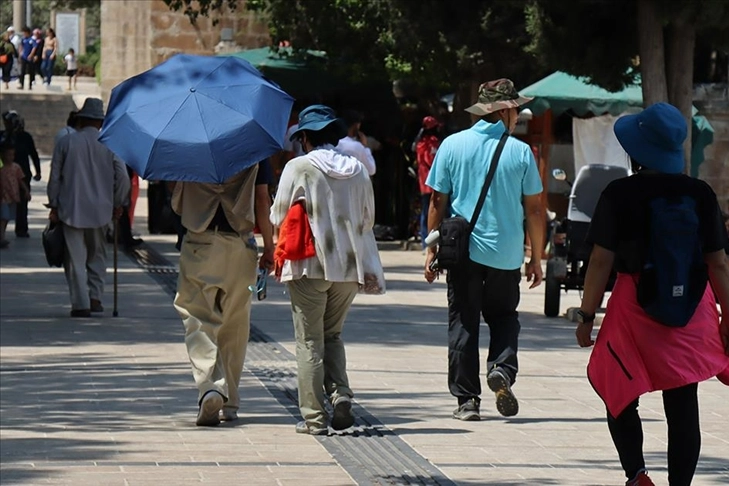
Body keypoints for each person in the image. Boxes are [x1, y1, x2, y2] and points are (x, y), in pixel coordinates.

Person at [575, 102, 729, 486]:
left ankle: (638, 474)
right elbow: (719, 263)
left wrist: (586, 314)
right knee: (682, 403)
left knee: (618, 389)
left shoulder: (619, 193)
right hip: (692, 309)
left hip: (633, 310)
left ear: (637, 149)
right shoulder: (700, 194)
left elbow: (599, 261)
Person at [424, 79, 544, 421]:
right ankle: (502, 369)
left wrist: (431, 251)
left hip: (462, 253)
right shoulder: (520, 152)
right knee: (504, 317)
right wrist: (535, 257)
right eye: (516, 108)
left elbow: (437, 200)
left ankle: (466, 401)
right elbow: (534, 209)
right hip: (505, 255)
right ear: (503, 111)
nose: (518, 114)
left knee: (463, 322)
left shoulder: (452, 145)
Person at [271, 105, 385, 435]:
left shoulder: (299, 168)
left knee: (309, 342)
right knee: (332, 334)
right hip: (349, 268)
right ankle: (341, 396)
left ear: (305, 138)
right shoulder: (359, 169)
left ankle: (314, 418)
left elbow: (278, 215)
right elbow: (368, 220)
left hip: (309, 264)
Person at [172, 156, 275, 427]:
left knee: (197, 317)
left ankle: (210, 386)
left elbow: (177, 199)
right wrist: (270, 246)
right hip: (241, 244)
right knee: (236, 323)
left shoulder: (188, 149)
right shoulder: (254, 149)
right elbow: (262, 200)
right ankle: (230, 401)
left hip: (199, 242)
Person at [47, 98, 131, 318]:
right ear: (100, 122)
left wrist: (53, 203)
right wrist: (118, 202)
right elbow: (123, 177)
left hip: (71, 207)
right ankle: (95, 297)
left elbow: (55, 177)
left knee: (74, 258)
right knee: (97, 255)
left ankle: (80, 303)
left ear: (82, 119)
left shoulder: (66, 142)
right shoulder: (111, 143)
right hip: (101, 209)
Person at [1, 111, 40, 237]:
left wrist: (38, 171)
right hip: (4, 174)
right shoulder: (3, 136)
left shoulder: (25, 137)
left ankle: (21, 228)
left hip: (22, 173)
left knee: (22, 201)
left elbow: (33, 154)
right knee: (2, 200)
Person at [414, 116, 441, 250]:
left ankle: (426, 242)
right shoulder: (431, 142)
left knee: (426, 212)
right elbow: (431, 160)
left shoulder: (420, 143)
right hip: (433, 183)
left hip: (424, 183)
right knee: (434, 212)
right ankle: (430, 243)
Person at [0, 135, 30, 249]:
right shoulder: (1, 168)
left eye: (12, 155)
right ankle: (2, 238)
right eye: (8, 155)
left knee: (6, 218)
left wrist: (26, 191)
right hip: (2, 196)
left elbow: (20, 180)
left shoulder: (16, 167)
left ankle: (2, 235)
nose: (10, 157)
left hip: (12, 197)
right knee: (4, 216)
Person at [335, 109, 377, 176]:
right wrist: (365, 147)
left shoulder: (333, 143)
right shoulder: (357, 147)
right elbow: (371, 170)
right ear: (356, 125)